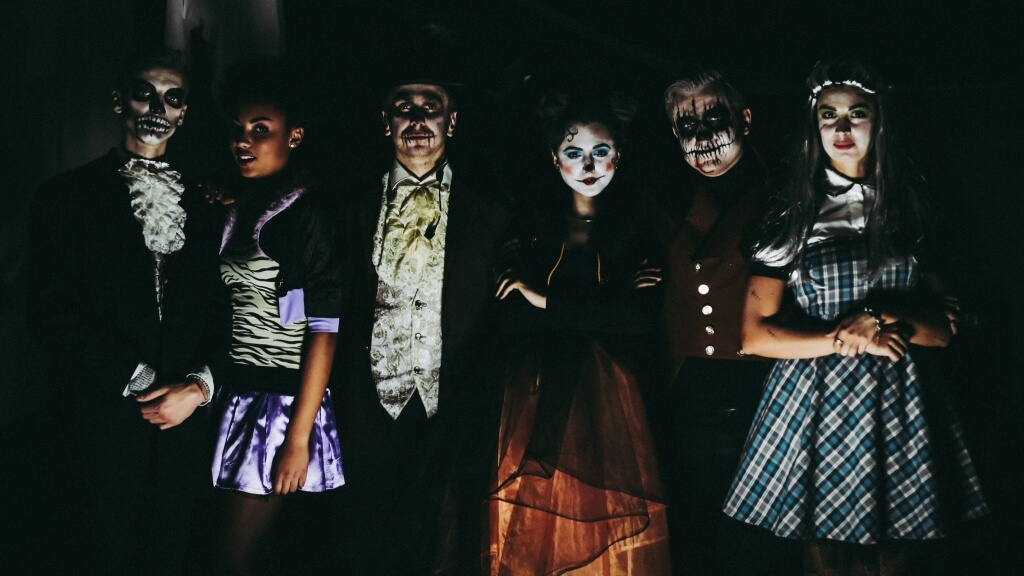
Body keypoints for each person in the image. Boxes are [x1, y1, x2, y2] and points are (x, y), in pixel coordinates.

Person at [723, 60, 988, 575]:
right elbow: (755, 336)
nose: (841, 128)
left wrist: (877, 314)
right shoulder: (794, 211)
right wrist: (845, 334)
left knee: (896, 553)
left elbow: (940, 332)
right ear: (814, 125)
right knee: (825, 555)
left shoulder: (911, 207)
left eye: (856, 113)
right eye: (829, 115)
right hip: (816, 400)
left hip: (903, 402)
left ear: (879, 119)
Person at [28, 48, 221, 576]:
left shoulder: (206, 206)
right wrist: (137, 378)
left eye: (172, 98)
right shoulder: (65, 197)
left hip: (180, 439)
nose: (158, 108)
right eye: (144, 93)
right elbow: (50, 313)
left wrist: (199, 387)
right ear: (119, 101)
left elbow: (219, 309)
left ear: (185, 112)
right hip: (97, 432)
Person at [332, 24, 509, 576]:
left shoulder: (494, 212)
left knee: (445, 545)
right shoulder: (348, 208)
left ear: (451, 120)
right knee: (365, 543)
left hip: (454, 405)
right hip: (365, 409)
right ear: (385, 121)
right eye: (403, 107)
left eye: (430, 106)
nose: (416, 119)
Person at [486, 90, 670, 575]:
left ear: (618, 155)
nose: (588, 165)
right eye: (574, 152)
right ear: (554, 158)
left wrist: (542, 298)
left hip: (616, 402)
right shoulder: (527, 226)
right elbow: (510, 318)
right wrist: (604, 308)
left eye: (600, 151)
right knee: (533, 529)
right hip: (532, 397)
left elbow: (638, 321)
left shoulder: (639, 230)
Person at [654, 69, 798, 574]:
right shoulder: (662, 198)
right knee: (693, 536)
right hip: (686, 394)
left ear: (745, 120)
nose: (702, 138)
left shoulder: (787, 196)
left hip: (766, 392)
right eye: (687, 126)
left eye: (715, 120)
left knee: (757, 544)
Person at [208, 60, 343, 576]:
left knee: (233, 560)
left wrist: (298, 438)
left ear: (295, 136)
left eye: (260, 129)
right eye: (237, 129)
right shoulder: (243, 202)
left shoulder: (308, 214)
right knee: (247, 557)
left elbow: (324, 330)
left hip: (280, 404)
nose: (243, 141)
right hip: (239, 391)